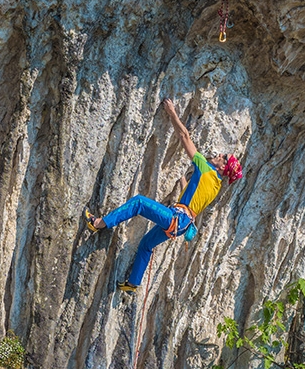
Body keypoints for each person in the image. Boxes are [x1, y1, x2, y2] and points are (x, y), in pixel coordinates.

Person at [85, 98, 243, 292]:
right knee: (145, 245)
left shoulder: (205, 168)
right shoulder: (216, 186)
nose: (220, 155)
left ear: (223, 167)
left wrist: (172, 113)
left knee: (139, 203)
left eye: (224, 158)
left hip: (176, 218)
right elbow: (195, 201)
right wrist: (184, 183)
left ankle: (99, 223)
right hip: (182, 225)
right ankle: (133, 284)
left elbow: (184, 136)